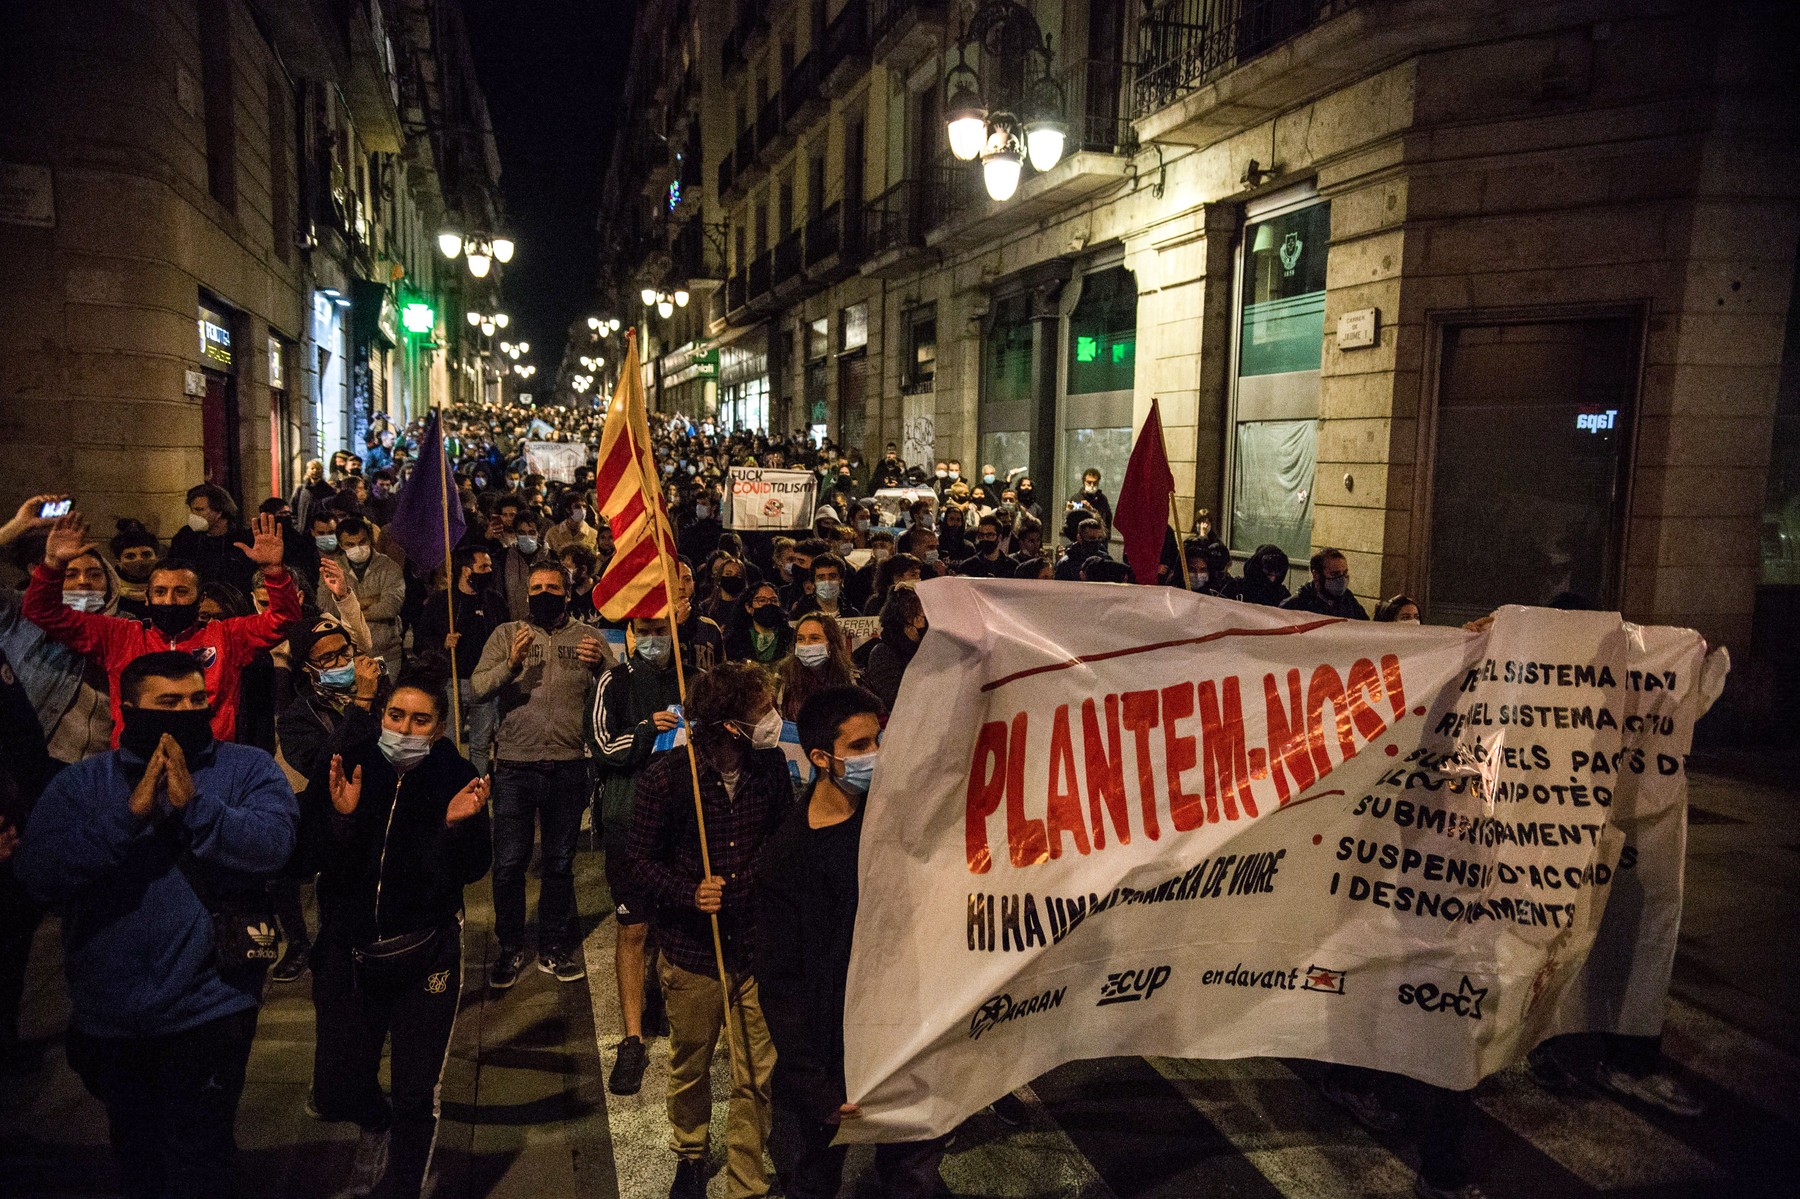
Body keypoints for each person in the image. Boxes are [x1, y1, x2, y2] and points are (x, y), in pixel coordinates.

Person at [14, 651, 298, 1199]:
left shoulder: (248, 768)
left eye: (198, 701)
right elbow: (38, 875)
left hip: (210, 1007)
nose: (187, 712)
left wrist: (196, 810)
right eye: (168, 704)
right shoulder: (82, 785)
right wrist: (129, 818)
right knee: (136, 1152)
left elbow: (274, 846)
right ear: (130, 710)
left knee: (201, 1155)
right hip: (112, 1016)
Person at [305, 669, 492, 1199]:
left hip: (424, 952)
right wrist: (341, 819)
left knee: (415, 1092)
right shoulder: (353, 760)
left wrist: (454, 828)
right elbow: (308, 851)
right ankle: (374, 1126)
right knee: (337, 1086)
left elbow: (475, 866)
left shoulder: (456, 774)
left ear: (438, 728)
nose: (405, 728)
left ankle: (405, 1182)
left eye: (420, 720)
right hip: (349, 950)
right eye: (396, 715)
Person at [757, 686, 948, 1198]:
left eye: (878, 739)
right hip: (828, 1059)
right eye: (860, 746)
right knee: (813, 1180)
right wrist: (814, 1085)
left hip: (903, 1039)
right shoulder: (786, 858)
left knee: (915, 1176)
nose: (875, 755)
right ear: (822, 758)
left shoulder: (894, 821)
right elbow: (780, 982)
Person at [623, 661, 790, 1199]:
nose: (772, 720)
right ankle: (691, 1151)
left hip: (755, 951)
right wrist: (689, 892)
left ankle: (747, 1180)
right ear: (726, 723)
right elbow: (639, 861)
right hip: (693, 956)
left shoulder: (771, 770)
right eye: (760, 711)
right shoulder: (668, 778)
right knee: (691, 1064)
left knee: (755, 1075)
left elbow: (780, 843)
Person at [27, 511, 302, 746]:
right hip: (137, 763)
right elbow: (42, 611)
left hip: (209, 761)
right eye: (160, 592)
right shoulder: (120, 636)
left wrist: (274, 571)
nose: (169, 600)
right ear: (147, 599)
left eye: (181, 591)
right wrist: (53, 565)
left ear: (199, 599)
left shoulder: (226, 636)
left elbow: (284, 619)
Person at [470, 562, 614, 988]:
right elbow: (477, 688)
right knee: (510, 864)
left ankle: (552, 945)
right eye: (537, 587)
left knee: (559, 862)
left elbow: (614, 694)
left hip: (570, 764)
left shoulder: (589, 639)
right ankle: (510, 948)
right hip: (515, 764)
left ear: (568, 594)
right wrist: (511, 664)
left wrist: (602, 667)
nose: (544, 593)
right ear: (526, 593)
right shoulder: (506, 634)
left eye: (553, 587)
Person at [590, 614, 684, 1097]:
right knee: (633, 928)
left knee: (675, 923)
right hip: (629, 822)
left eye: (659, 629)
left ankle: (672, 1008)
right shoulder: (615, 680)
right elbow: (604, 746)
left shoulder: (690, 677)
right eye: (642, 631)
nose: (651, 640)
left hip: (682, 824)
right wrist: (648, 729)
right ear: (628, 635)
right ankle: (632, 1037)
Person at [414, 545, 506, 772]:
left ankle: (476, 786)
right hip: (452, 682)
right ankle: (452, 786)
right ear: (466, 570)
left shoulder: (494, 601)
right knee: (449, 742)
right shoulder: (442, 602)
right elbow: (420, 642)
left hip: (485, 684)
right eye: (483, 566)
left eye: (490, 567)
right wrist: (442, 644)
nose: (489, 571)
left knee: (480, 745)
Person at [169, 483, 258, 597]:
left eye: (199, 510)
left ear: (219, 511)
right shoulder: (185, 537)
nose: (194, 516)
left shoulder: (242, 540)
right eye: (193, 510)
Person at [776, 614, 856, 722]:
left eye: (814, 638)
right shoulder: (784, 675)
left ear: (831, 643)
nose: (806, 644)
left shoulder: (850, 678)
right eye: (800, 639)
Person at [863, 589, 925, 712]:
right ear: (908, 620)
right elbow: (895, 700)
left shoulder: (926, 648)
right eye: (921, 617)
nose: (925, 623)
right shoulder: (883, 653)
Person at [1282, 547, 1369, 620]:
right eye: (1335, 574)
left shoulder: (1349, 601)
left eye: (1345, 573)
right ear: (1316, 575)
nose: (1342, 579)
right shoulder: (1296, 605)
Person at [725, 581, 794, 667]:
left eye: (774, 600)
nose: (769, 604)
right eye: (762, 600)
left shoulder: (792, 637)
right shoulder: (734, 641)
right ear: (749, 608)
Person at [110, 520, 161, 619]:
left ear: (156, 557)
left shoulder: (169, 588)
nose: (140, 561)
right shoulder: (111, 593)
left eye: (146, 555)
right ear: (119, 562)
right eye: (130, 556)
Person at [789, 553, 855, 619]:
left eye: (832, 576)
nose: (827, 581)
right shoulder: (799, 614)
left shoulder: (852, 614)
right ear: (813, 583)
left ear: (841, 581)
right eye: (821, 577)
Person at [957, 513, 1015, 579]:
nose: (985, 538)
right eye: (981, 535)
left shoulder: (1012, 566)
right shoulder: (967, 566)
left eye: (990, 535)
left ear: (999, 537)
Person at [1076, 467, 1114, 534]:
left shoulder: (1102, 499)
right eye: (1089, 482)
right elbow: (1071, 522)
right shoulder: (1077, 499)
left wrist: (1092, 510)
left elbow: (1107, 520)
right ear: (1083, 482)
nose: (1092, 485)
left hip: (1099, 540)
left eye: (1095, 483)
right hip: (1081, 541)